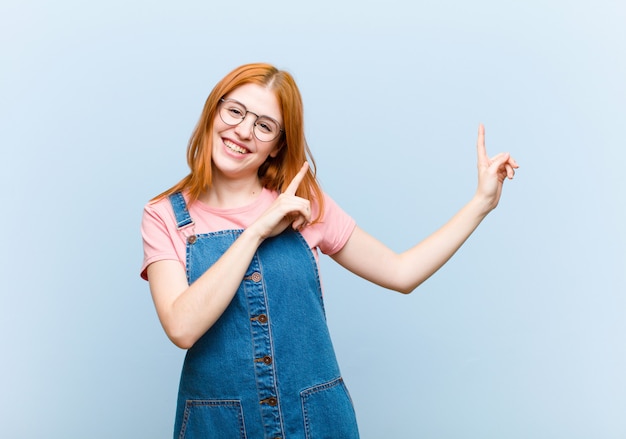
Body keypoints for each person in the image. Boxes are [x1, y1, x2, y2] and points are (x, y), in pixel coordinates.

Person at [140, 62, 518, 438]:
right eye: (235, 111)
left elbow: (402, 273)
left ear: (276, 147)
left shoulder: (305, 203)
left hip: (316, 423)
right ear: (214, 111)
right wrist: (256, 230)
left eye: (264, 125)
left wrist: (481, 203)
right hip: (217, 427)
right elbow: (182, 327)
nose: (243, 130)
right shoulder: (164, 217)